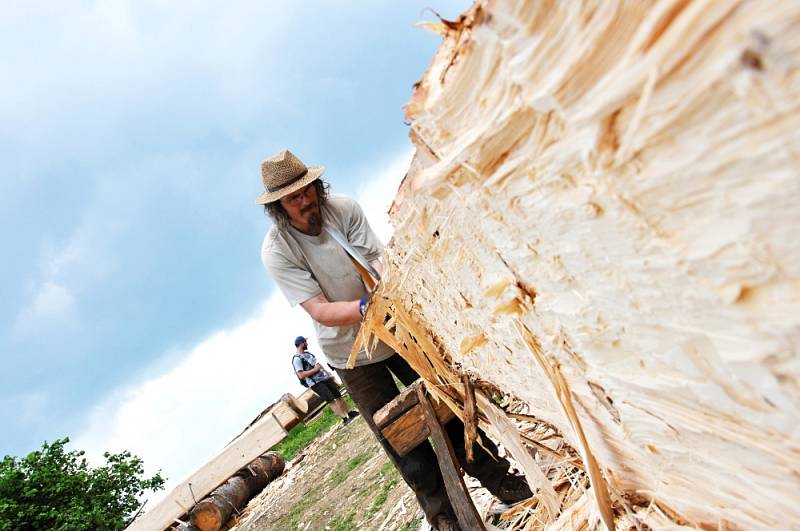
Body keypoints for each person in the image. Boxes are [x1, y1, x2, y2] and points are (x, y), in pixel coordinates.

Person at [257, 149, 532, 530]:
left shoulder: (343, 208)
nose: (305, 202)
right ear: (279, 207)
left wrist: (393, 289)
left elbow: (377, 259)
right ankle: (445, 518)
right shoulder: (277, 250)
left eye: (308, 190)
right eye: (294, 198)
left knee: (451, 408)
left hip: (398, 329)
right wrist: (369, 307)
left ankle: (505, 483)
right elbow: (319, 310)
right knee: (404, 443)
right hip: (350, 354)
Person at [292, 335, 359, 425]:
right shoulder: (296, 359)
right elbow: (301, 375)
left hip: (324, 378)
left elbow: (318, 365)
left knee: (338, 396)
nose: (307, 343)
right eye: (305, 342)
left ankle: (350, 413)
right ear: (301, 343)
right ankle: (344, 419)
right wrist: (315, 370)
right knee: (331, 400)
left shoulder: (308, 354)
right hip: (316, 383)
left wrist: (328, 374)